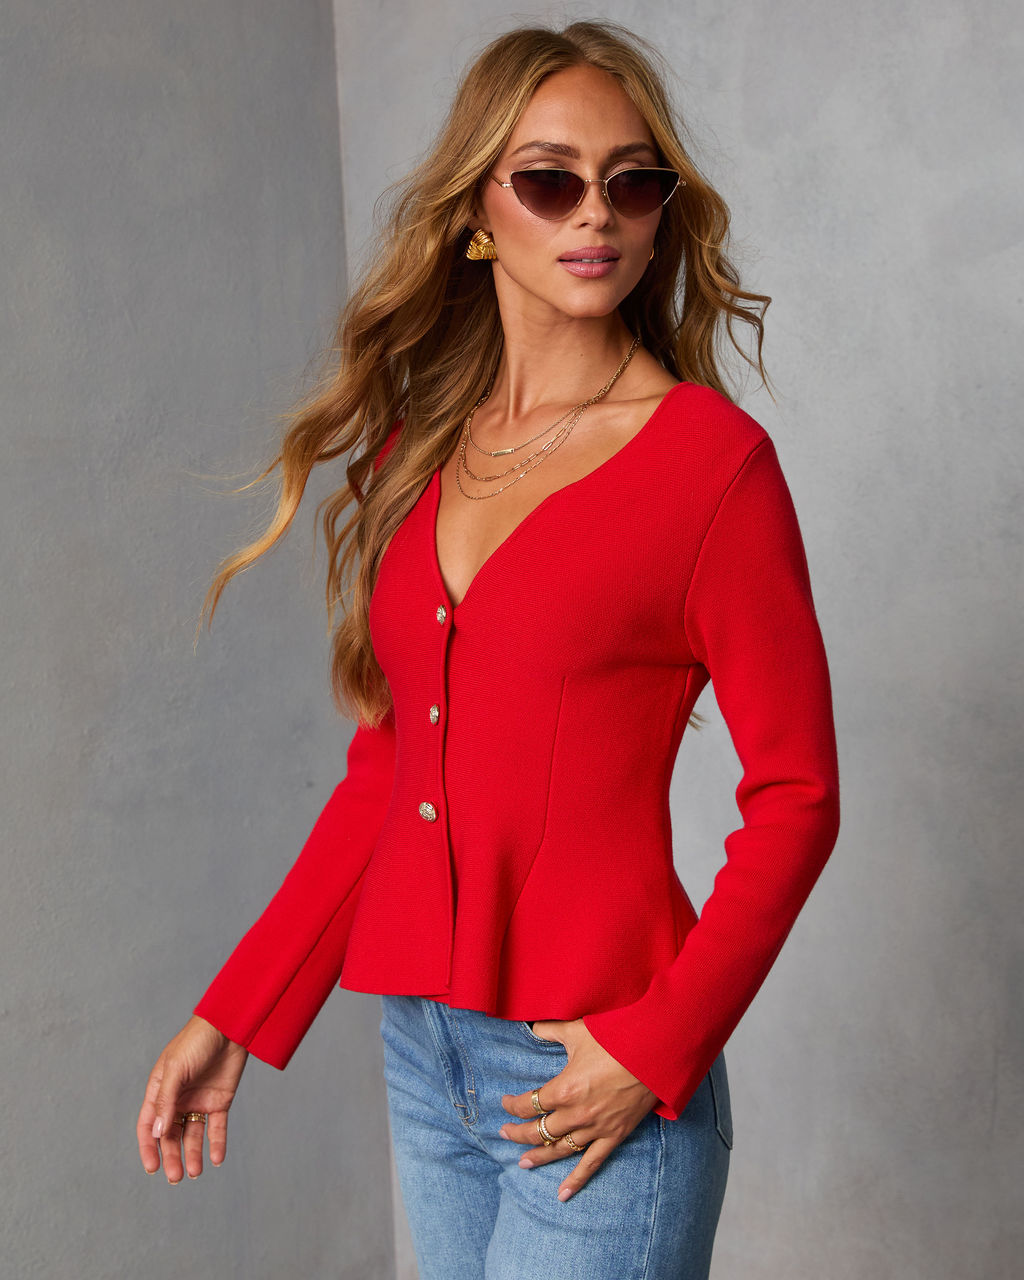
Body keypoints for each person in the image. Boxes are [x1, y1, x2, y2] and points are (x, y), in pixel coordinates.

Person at [136, 18, 840, 1279]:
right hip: (427, 1056)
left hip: (592, 1074)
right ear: (477, 211)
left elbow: (796, 794)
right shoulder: (418, 455)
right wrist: (233, 1011)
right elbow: (387, 774)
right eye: (550, 180)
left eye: (632, 182)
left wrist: (654, 1044)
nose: (597, 212)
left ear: (660, 214)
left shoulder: (710, 468)